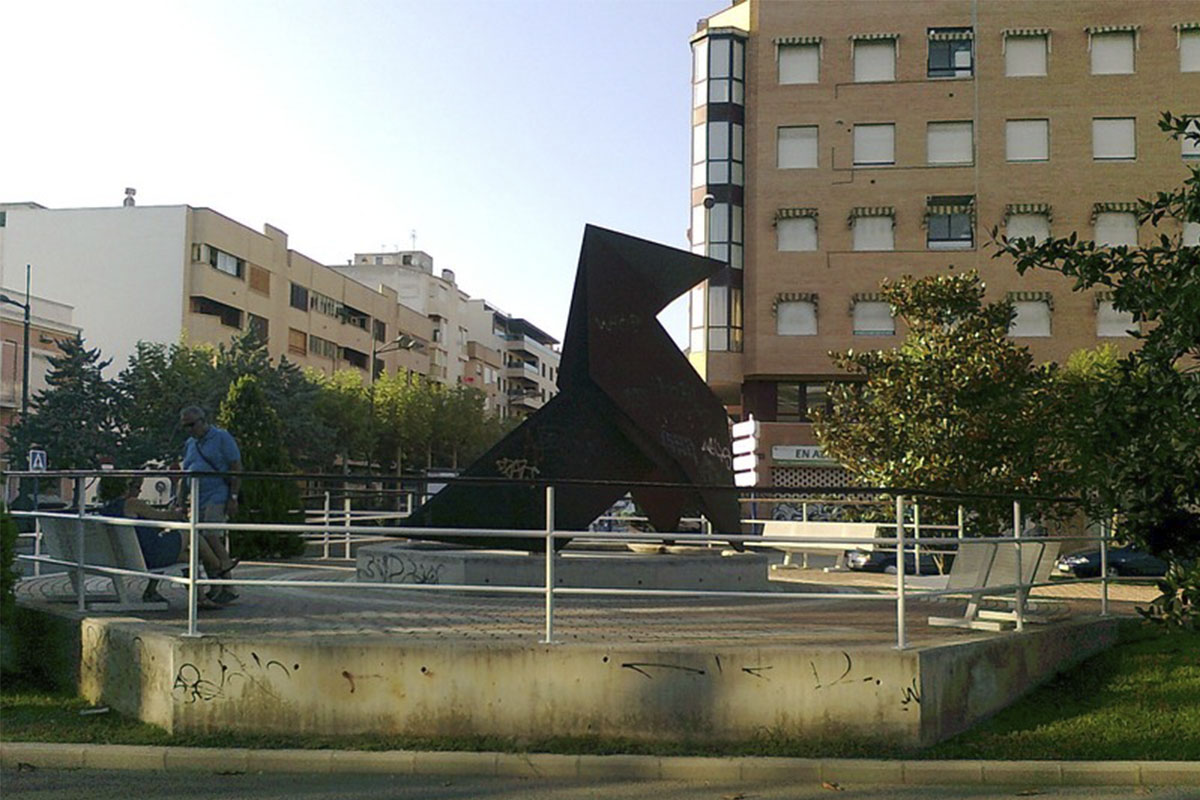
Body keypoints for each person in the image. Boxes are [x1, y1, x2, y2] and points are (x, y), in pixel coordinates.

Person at [95, 476, 231, 608]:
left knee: (188, 557)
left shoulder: (106, 510)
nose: (138, 490)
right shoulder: (131, 503)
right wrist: (177, 513)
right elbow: (163, 517)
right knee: (190, 533)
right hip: (149, 556)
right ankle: (218, 566)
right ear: (124, 487)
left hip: (129, 558)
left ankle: (198, 597)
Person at [178, 405, 242, 605]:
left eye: (192, 425)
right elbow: (185, 474)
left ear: (203, 421)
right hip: (197, 498)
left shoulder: (222, 438)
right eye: (185, 426)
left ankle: (226, 577)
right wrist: (180, 501)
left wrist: (233, 496)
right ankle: (218, 584)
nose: (189, 429)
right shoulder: (190, 444)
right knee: (199, 542)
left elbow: (236, 467)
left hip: (217, 495)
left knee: (211, 536)